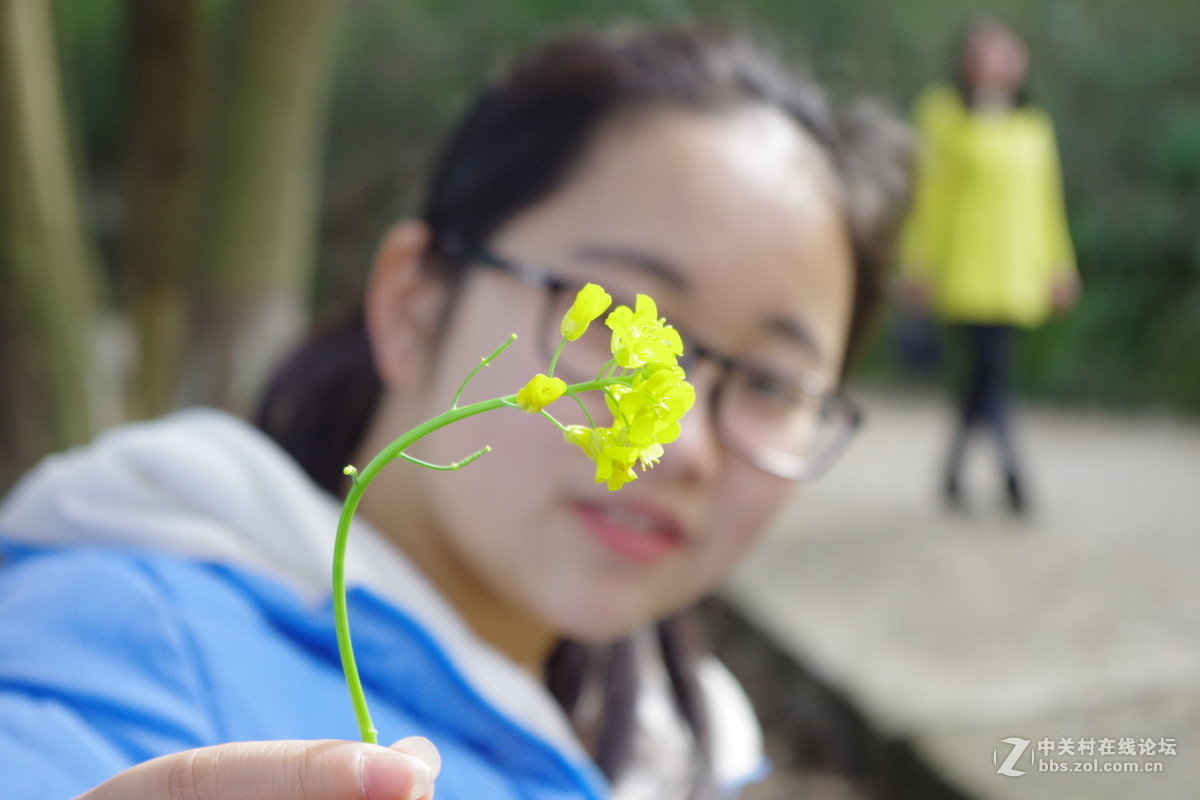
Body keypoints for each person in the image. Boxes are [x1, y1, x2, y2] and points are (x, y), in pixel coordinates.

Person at [0, 24, 910, 800]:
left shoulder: (688, 746)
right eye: (619, 308)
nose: (680, 443)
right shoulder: (119, 632)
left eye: (772, 384)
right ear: (414, 303)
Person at [899, 15, 1079, 516]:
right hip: (964, 270)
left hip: (1017, 271)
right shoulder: (942, 116)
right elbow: (927, 199)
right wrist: (917, 265)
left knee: (985, 378)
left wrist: (1059, 266)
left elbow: (1046, 203)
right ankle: (1014, 478)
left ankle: (954, 473)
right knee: (991, 375)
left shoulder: (1032, 126)